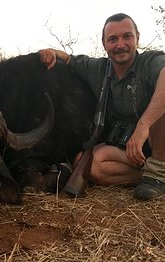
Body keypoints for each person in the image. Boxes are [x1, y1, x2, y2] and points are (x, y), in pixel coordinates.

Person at [39, 13, 165, 200]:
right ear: (104, 44)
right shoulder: (98, 68)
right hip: (131, 147)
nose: (120, 44)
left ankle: (158, 172)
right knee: (87, 164)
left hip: (157, 141)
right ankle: (152, 176)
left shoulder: (150, 61)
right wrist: (50, 52)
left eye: (127, 36)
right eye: (112, 39)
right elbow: (69, 59)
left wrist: (143, 126)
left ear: (137, 37)